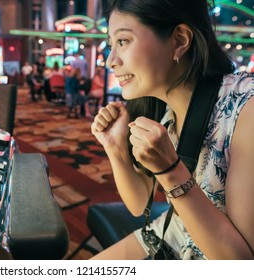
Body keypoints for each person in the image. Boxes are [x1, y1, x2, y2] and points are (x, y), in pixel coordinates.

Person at [91, 0, 254, 260]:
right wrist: (115, 147)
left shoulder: (245, 106)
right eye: (111, 45)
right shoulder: (159, 109)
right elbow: (138, 205)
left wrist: (170, 172)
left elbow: (241, 265)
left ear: (179, 40)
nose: (111, 60)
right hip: (176, 232)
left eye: (123, 41)